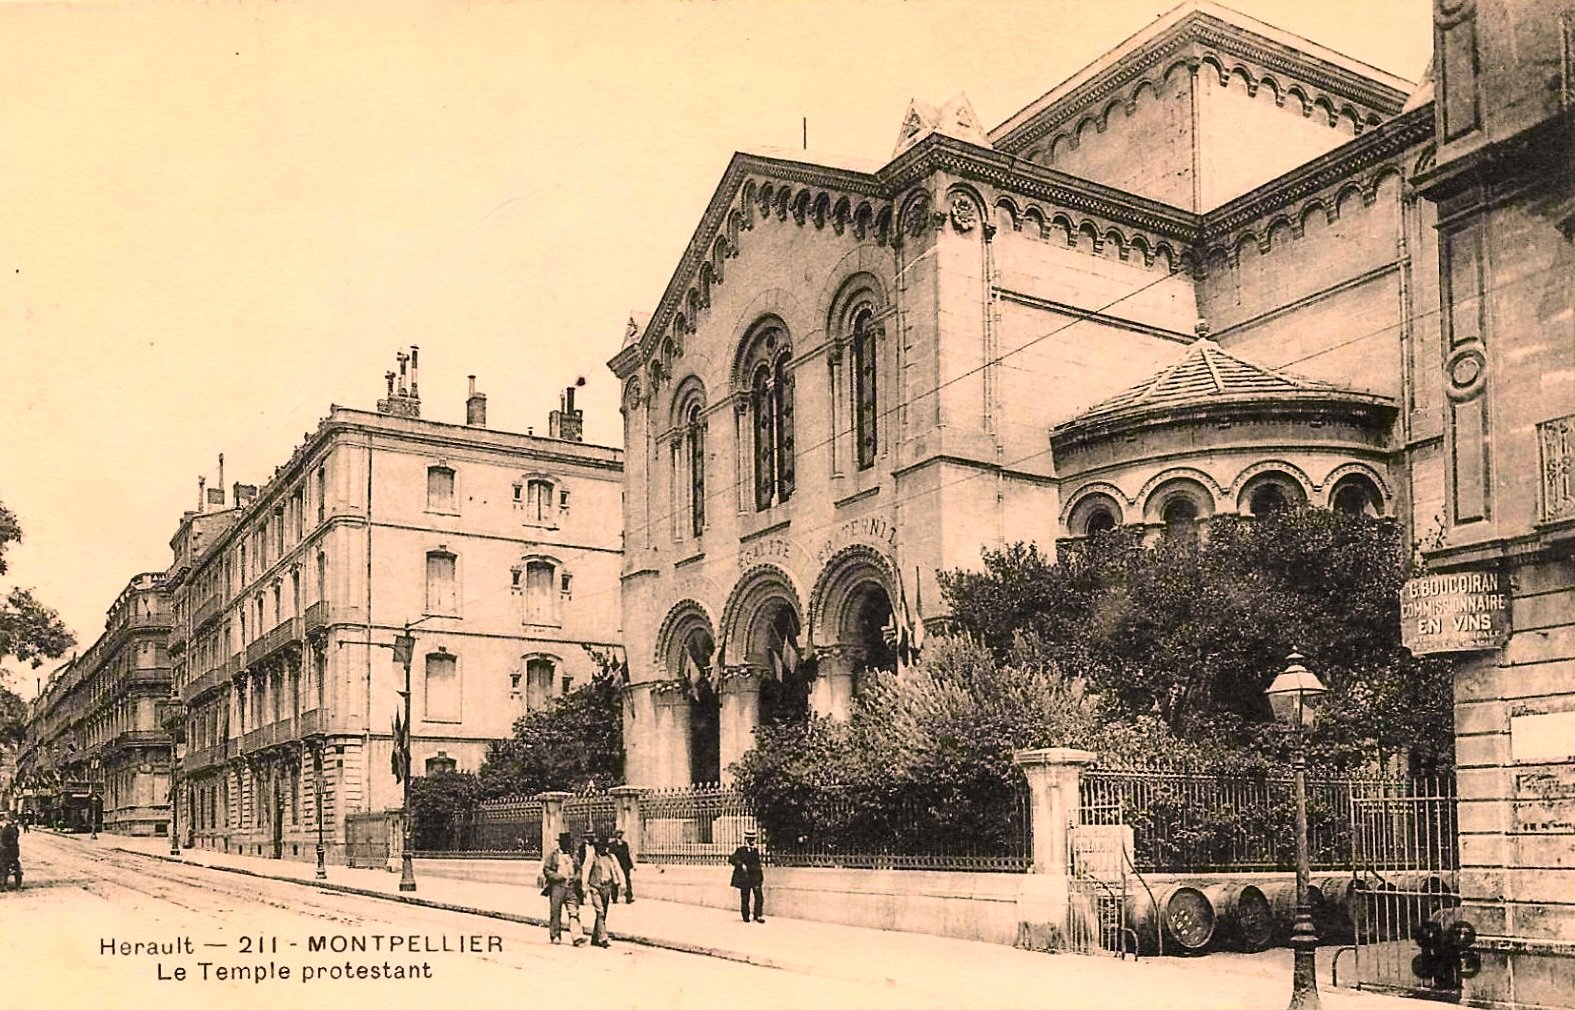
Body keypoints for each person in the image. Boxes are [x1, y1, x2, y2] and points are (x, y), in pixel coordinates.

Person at [580, 834, 627, 948]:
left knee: (602, 913)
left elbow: (618, 869)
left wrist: (623, 883)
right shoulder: (592, 857)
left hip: (607, 887)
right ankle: (603, 938)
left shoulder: (611, 857)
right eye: (601, 846)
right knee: (600, 911)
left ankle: (595, 938)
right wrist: (584, 887)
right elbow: (585, 871)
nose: (604, 848)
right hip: (595, 887)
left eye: (605, 846)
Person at [541, 831, 584, 945]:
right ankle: (555, 935)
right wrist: (557, 877)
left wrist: (576, 877)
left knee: (574, 911)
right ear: (560, 844)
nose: (567, 845)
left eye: (568, 843)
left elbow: (579, 869)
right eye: (565, 843)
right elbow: (546, 870)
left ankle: (576, 936)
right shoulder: (553, 855)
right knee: (555, 912)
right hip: (557, 887)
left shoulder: (573, 856)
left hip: (571, 887)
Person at [729, 828, 765, 923]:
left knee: (759, 896)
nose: (752, 841)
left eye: (753, 839)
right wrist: (741, 864)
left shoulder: (755, 851)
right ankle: (746, 916)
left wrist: (760, 877)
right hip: (745, 878)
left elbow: (758, 865)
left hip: (755, 877)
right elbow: (731, 859)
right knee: (745, 897)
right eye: (750, 839)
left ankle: (757, 915)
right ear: (747, 839)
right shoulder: (741, 850)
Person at [608, 829, 635, 903]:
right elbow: (611, 855)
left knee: (627, 881)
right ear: (615, 835)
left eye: (621, 833)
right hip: (616, 865)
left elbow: (627, 855)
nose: (620, 835)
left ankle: (629, 896)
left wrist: (631, 865)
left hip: (625, 865)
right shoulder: (612, 845)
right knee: (615, 881)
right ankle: (614, 897)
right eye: (618, 833)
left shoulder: (625, 844)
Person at [0, 815, 22, 890]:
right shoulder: (7, 829)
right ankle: (5, 885)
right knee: (6, 868)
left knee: (7, 868)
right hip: (7, 851)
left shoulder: (8, 829)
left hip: (8, 851)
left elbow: (13, 839)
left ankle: (4, 885)